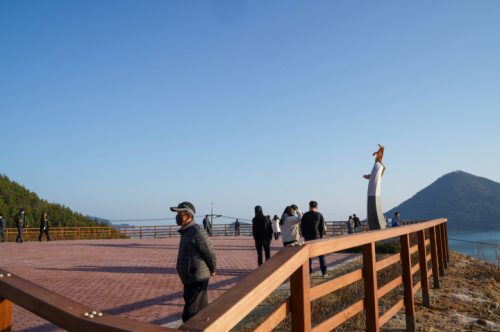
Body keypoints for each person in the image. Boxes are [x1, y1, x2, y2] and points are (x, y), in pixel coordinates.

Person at [171, 202, 217, 323]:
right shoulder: (186, 231)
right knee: (201, 313)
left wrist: (212, 270)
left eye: (180, 213)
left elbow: (210, 253)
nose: (177, 216)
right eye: (177, 214)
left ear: (188, 215)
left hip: (197, 278)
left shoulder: (197, 231)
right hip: (190, 279)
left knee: (189, 316)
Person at [301, 201, 328, 277]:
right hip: (317, 236)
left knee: (308, 256)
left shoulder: (305, 215)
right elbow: (322, 227)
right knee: (321, 255)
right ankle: (324, 272)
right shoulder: (319, 215)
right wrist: (321, 236)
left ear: (309, 206)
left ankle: (308, 272)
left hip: (308, 237)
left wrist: (304, 235)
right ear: (317, 207)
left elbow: (302, 226)